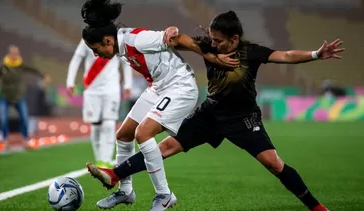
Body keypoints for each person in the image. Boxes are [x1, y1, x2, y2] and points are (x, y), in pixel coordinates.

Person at [87, 11, 345, 211]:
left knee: (273, 164)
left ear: (234, 39)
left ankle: (316, 206)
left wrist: (315, 54)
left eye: (218, 40)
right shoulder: (209, 47)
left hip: (242, 118)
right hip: (210, 113)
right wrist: (171, 31)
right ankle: (115, 175)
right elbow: (180, 39)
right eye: (211, 38)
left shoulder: (250, 52)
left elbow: (286, 55)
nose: (213, 43)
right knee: (165, 147)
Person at [81, 1, 237, 210]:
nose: (95, 54)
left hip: (180, 87)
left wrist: (212, 57)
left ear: (107, 40)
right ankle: (125, 191)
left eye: (95, 48)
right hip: (159, 87)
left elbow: (176, 38)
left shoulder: (137, 40)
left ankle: (164, 195)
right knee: (123, 134)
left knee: (143, 133)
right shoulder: (121, 44)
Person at [67, 38, 133, 168]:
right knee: (96, 125)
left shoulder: (116, 38)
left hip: (111, 89)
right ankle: (99, 160)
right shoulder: (88, 38)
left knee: (109, 124)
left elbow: (125, 61)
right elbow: (77, 58)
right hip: (92, 89)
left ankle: (106, 160)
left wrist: (128, 84)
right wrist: (70, 81)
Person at [0, 45, 50, 153]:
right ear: (9, 54)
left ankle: (26, 140)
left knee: (24, 118)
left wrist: (43, 74)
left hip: (18, 96)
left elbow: (33, 69)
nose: (15, 55)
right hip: (5, 96)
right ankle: (4, 141)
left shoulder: (20, 64)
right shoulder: (3, 65)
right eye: (13, 53)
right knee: (3, 119)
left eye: (17, 53)